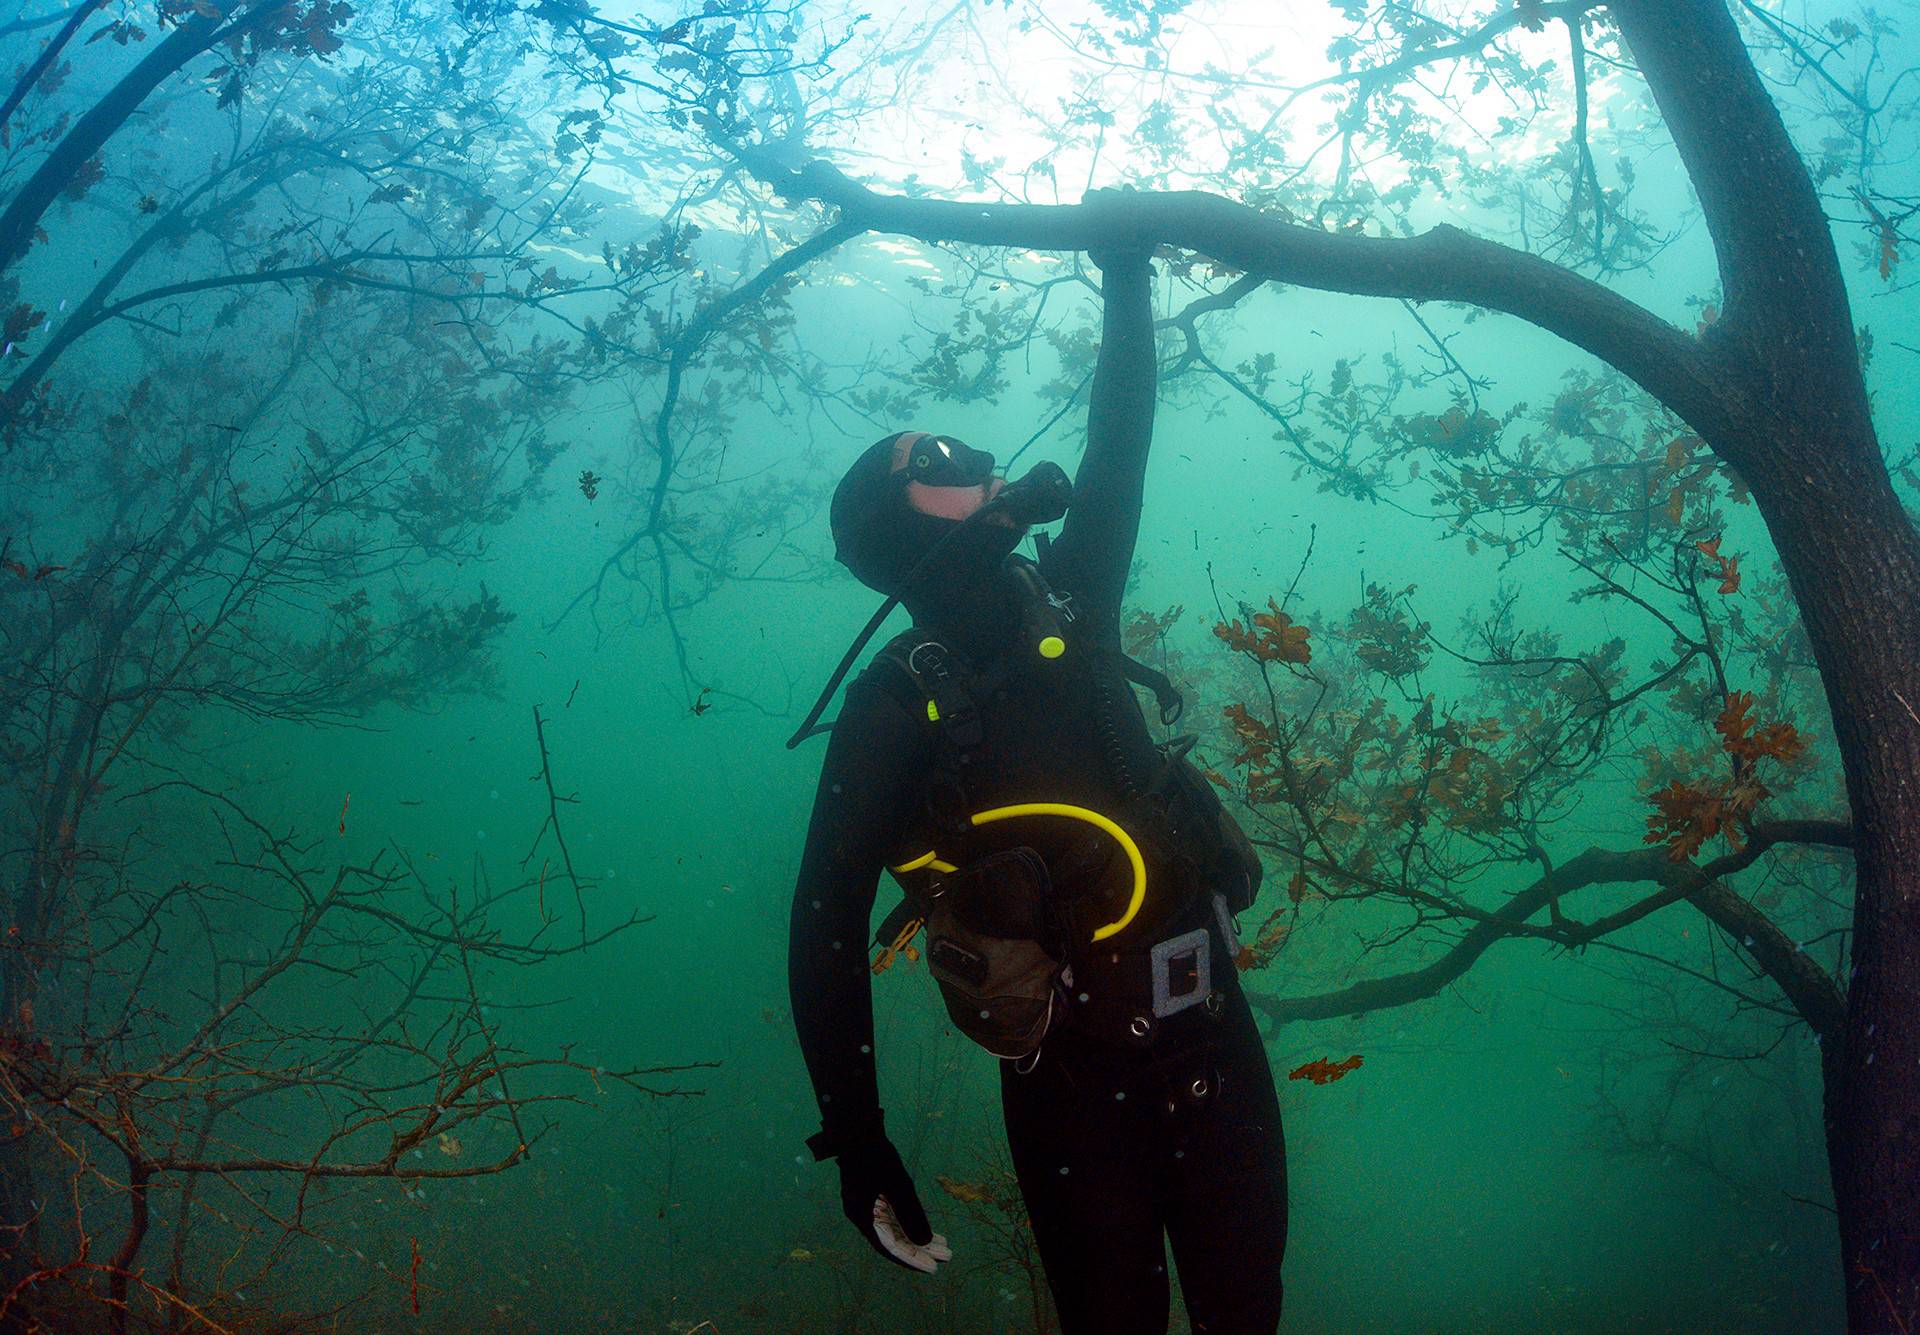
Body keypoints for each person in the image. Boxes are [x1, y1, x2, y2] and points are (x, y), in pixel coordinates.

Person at [787, 234, 1287, 1334]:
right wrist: (857, 1139)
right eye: (944, 458)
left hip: (1215, 1033)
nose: (982, 462)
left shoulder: (1071, 593)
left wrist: (1124, 268)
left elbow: (1121, 442)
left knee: (1249, 1315)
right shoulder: (896, 700)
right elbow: (824, 917)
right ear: (901, 520)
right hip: (1072, 1087)